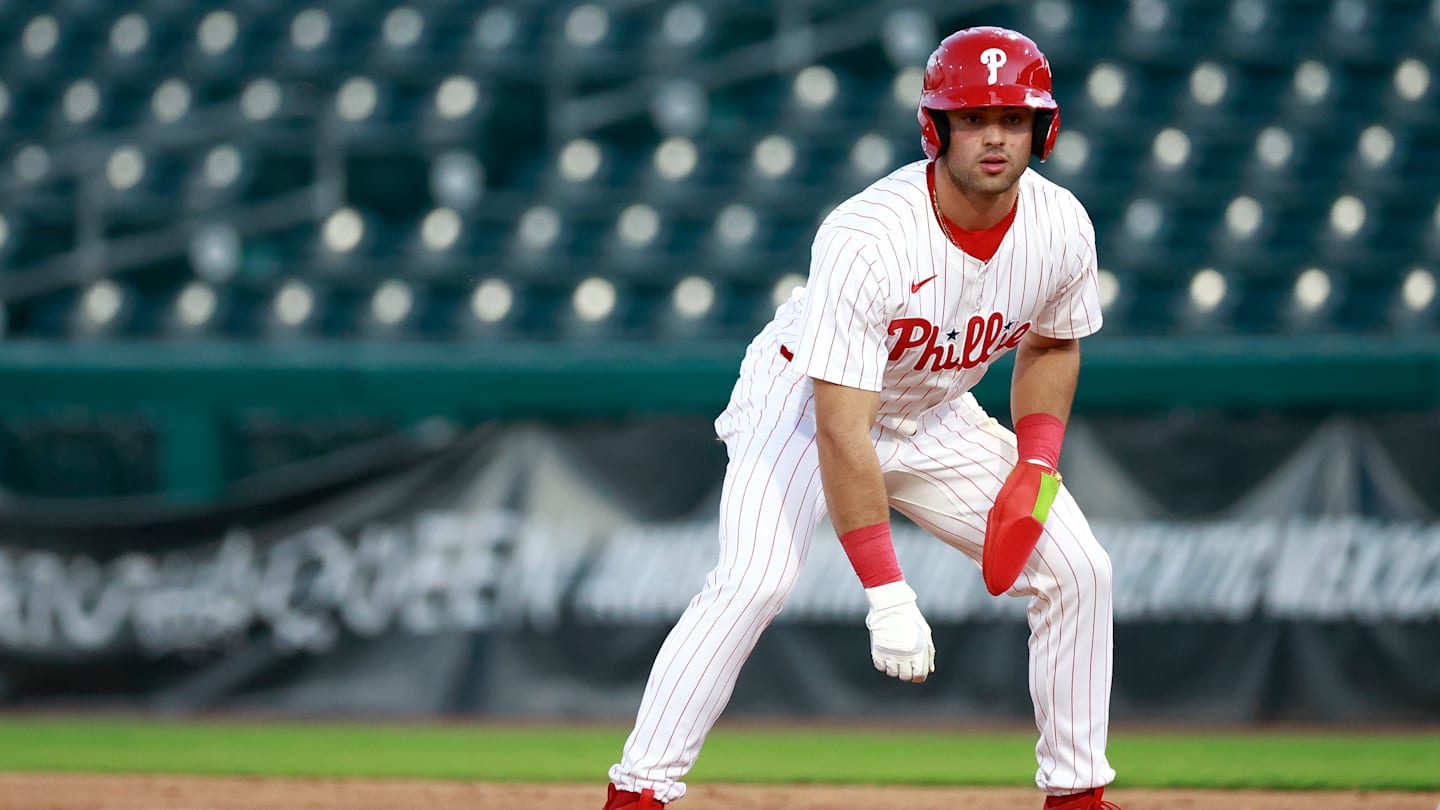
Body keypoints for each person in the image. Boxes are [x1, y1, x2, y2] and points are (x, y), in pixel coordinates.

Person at [603, 25, 1119, 810]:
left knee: (1080, 569)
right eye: (973, 118)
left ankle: (1077, 795)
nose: (993, 137)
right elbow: (845, 429)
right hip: (806, 405)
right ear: (935, 128)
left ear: (1042, 129)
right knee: (754, 581)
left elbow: (1052, 345)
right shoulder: (865, 237)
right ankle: (638, 791)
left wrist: (1037, 465)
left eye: (1012, 119)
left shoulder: (1062, 227)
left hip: (936, 409)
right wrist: (887, 592)